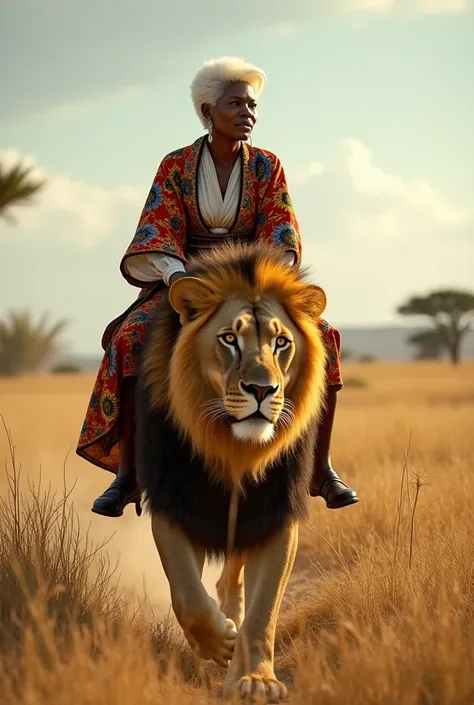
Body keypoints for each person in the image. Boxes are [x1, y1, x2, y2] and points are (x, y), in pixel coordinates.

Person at [76, 57, 359, 518]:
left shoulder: (268, 166)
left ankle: (319, 468)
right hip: (191, 287)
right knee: (130, 340)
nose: (248, 113)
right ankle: (127, 475)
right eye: (236, 104)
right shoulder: (175, 166)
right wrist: (175, 276)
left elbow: (281, 233)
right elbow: (156, 231)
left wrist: (266, 277)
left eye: (252, 105)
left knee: (324, 335)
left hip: (255, 286)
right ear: (208, 112)